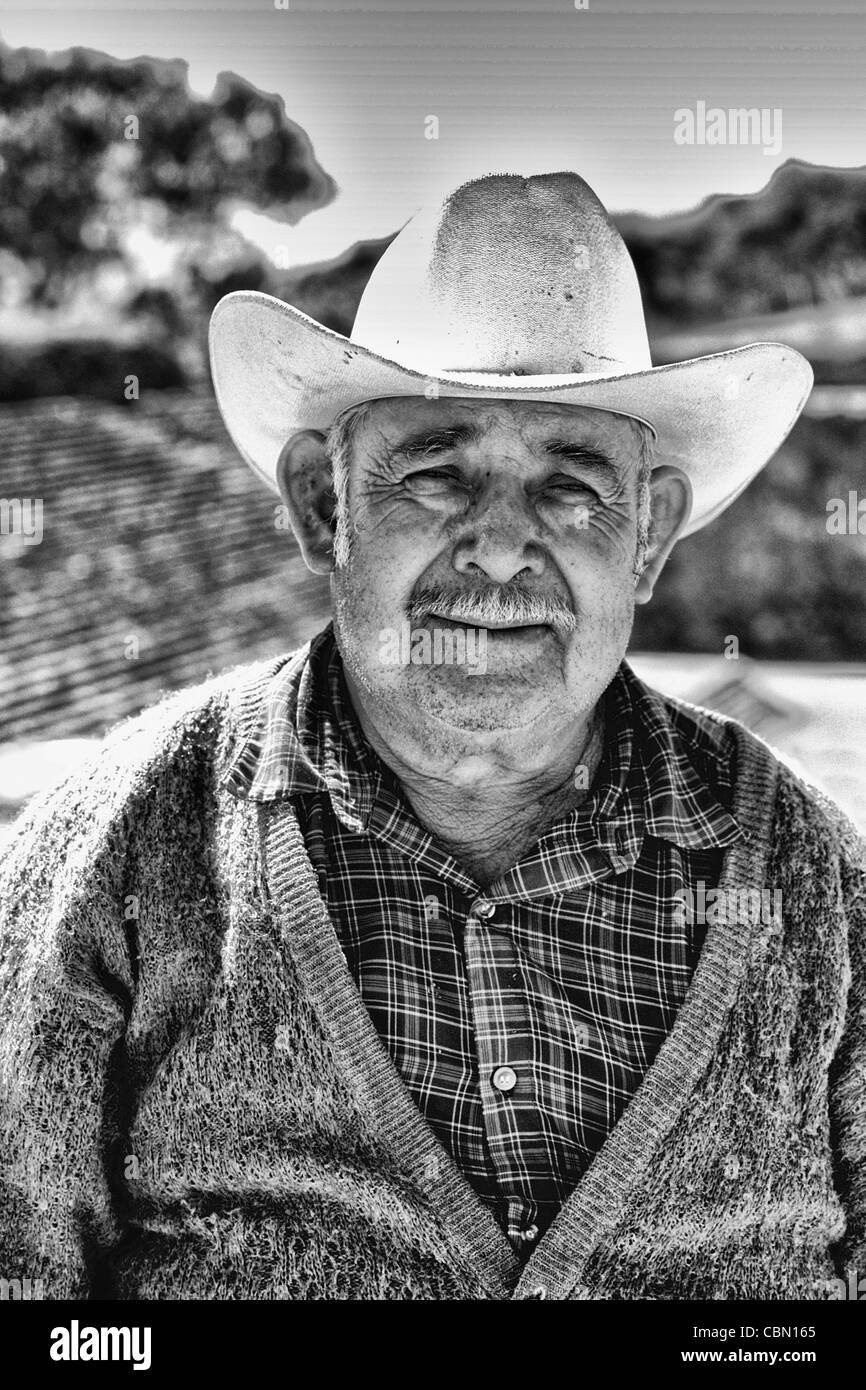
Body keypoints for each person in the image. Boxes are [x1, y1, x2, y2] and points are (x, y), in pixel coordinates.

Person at [1, 171, 862, 1302]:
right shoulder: (119, 849)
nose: (499, 550)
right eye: (435, 472)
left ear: (645, 537)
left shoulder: (812, 880)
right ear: (324, 507)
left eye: (570, 485)